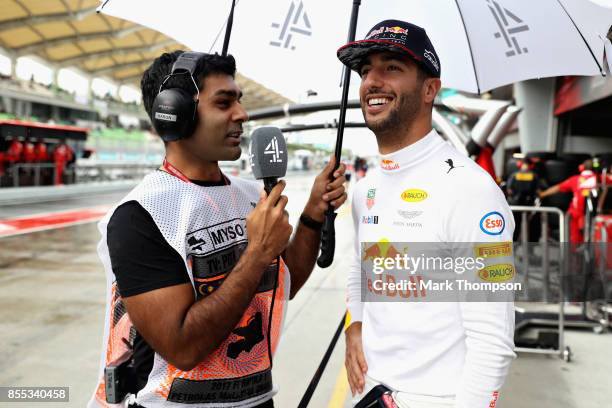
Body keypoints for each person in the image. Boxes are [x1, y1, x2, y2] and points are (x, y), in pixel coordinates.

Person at [88, 51, 347, 408]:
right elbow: (183, 347)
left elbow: (284, 285)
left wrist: (314, 213)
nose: (242, 114)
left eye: (239, 101)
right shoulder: (139, 216)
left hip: (257, 400)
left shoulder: (248, 196)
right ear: (175, 113)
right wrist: (255, 254)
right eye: (224, 103)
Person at [337, 20, 515, 407]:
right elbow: (359, 267)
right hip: (367, 390)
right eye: (366, 70)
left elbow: (494, 342)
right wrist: (355, 326)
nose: (372, 80)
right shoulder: (365, 188)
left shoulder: (473, 190)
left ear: (430, 89)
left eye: (392, 68)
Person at [539, 159, 597, 243]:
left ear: (581, 168)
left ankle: (576, 254)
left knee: (575, 240)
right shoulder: (601, 179)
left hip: (576, 214)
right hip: (594, 215)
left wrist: (542, 194)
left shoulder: (575, 179)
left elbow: (558, 188)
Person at [506, 158, 547, 242]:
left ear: (520, 165)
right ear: (531, 165)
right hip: (529, 205)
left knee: (514, 226)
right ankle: (530, 249)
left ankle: (513, 246)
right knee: (531, 227)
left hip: (515, 205)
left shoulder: (514, 175)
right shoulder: (534, 176)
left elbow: (509, 190)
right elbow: (538, 191)